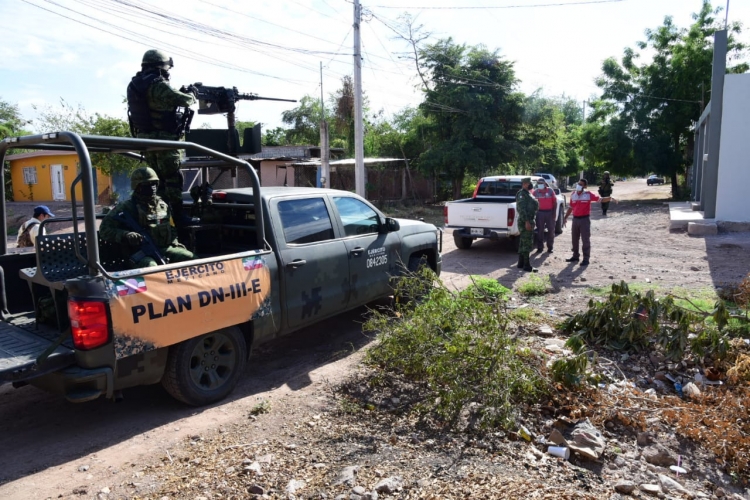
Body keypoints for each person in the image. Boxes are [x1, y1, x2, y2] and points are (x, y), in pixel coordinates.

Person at [126, 49, 197, 225]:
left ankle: (161, 216)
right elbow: (183, 100)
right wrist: (193, 94)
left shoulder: (134, 85)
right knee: (172, 180)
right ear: (159, 67)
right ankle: (179, 218)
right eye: (166, 68)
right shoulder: (158, 84)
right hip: (165, 141)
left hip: (147, 141)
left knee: (157, 182)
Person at [100, 167, 196, 268]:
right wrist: (125, 234)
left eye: (154, 183)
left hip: (163, 249)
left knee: (191, 258)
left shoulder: (162, 206)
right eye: (148, 185)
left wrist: (176, 244)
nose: (153, 187)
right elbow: (104, 230)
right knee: (152, 268)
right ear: (137, 186)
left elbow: (172, 229)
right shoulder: (126, 207)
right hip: (139, 253)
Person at [563, 178, 600, 266]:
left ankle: (586, 259)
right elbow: (571, 207)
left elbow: (599, 199)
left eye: (581, 184)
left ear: (585, 186)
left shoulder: (588, 194)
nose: (578, 186)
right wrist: (565, 218)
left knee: (585, 239)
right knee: (574, 239)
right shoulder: (573, 194)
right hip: (575, 219)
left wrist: (610, 198)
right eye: (578, 184)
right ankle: (575, 256)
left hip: (584, 220)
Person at [515, 177, 539, 272]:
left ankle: (520, 263)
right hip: (526, 221)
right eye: (529, 183)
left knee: (523, 242)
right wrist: (527, 222)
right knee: (527, 242)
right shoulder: (522, 194)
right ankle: (526, 265)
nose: (530, 184)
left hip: (529, 219)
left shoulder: (527, 193)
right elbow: (522, 209)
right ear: (525, 183)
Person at [532, 178, 556, 253]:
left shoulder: (550, 191)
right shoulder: (535, 192)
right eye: (538, 183)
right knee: (540, 231)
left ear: (545, 184)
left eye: (541, 183)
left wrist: (554, 213)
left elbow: (555, 202)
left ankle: (550, 247)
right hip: (539, 213)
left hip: (550, 212)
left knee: (551, 230)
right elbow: (532, 202)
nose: (540, 185)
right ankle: (540, 247)